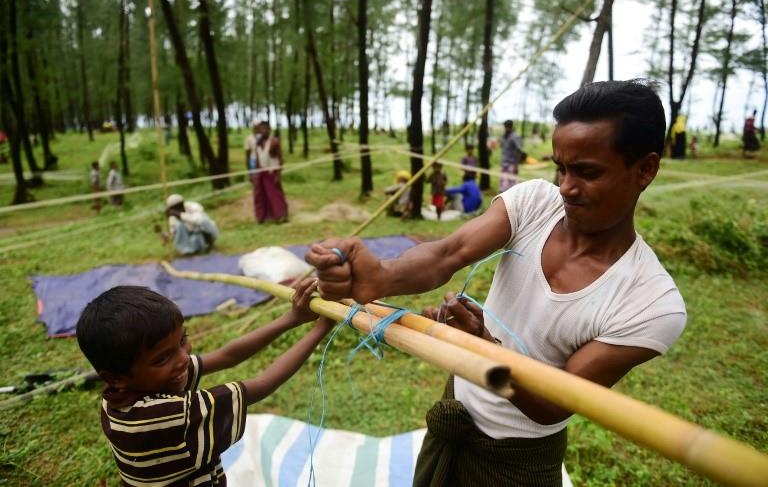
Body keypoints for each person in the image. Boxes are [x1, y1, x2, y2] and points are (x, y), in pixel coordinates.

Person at [305, 80, 686, 486]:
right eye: (561, 167)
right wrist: (381, 276)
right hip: (455, 413)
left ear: (645, 169)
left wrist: (485, 349)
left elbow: (553, 406)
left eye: (587, 172)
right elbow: (447, 253)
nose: (566, 188)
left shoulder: (651, 303)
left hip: (516, 463)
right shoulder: (534, 202)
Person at [76, 281, 333, 487]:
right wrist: (320, 328)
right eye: (162, 358)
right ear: (115, 377)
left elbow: (226, 356)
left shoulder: (121, 394)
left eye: (182, 341)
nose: (183, 358)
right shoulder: (166, 416)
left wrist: (292, 318)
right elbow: (264, 383)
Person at [245, 120, 288, 223]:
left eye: (265, 129)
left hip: (272, 172)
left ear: (269, 130)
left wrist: (278, 174)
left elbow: (280, 159)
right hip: (261, 173)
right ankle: (262, 217)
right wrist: (254, 173)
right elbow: (257, 159)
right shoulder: (258, 143)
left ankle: (281, 215)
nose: (263, 131)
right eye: (261, 129)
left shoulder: (274, 142)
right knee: (260, 195)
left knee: (275, 195)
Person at [499, 120, 522, 192]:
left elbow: (519, 151)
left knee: (512, 187)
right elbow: (503, 147)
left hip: (511, 165)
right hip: (504, 164)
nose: (506, 129)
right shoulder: (504, 136)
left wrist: (516, 166)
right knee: (503, 185)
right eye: (505, 127)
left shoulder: (515, 136)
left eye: (507, 127)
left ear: (511, 127)